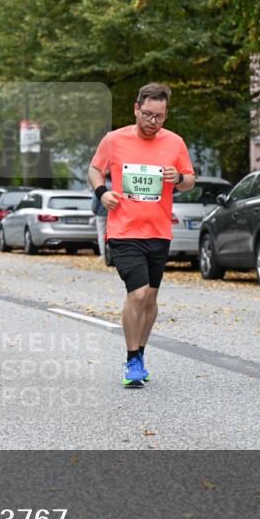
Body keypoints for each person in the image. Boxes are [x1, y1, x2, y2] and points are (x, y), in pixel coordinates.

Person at [87, 83, 196, 388]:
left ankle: (141, 353)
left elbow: (189, 180)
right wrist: (102, 193)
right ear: (136, 108)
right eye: (147, 114)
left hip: (159, 231)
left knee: (150, 297)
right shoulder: (114, 139)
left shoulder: (175, 143)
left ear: (166, 114)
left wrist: (180, 179)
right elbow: (95, 170)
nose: (152, 121)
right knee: (137, 293)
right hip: (124, 230)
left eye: (159, 116)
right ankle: (132, 357)